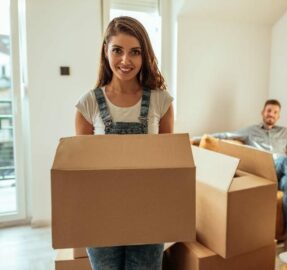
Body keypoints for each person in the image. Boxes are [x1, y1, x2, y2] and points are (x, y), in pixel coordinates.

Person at [75, 16, 174, 270]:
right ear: (106, 51)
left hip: (148, 213)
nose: (126, 61)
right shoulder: (88, 104)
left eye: (135, 52)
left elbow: (169, 165)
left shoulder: (161, 102)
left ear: (145, 56)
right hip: (101, 215)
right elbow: (80, 171)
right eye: (117, 50)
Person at [192, 99, 287, 251]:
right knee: (282, 159)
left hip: (282, 174)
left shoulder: (285, 133)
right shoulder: (251, 131)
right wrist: (197, 139)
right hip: (264, 172)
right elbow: (226, 135)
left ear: (278, 116)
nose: (271, 114)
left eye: (275, 112)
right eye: (269, 111)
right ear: (263, 112)